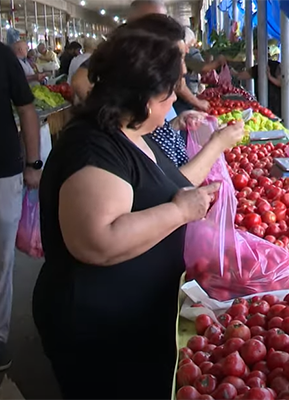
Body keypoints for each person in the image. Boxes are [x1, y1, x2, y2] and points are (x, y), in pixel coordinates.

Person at [32, 15, 244, 400]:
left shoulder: (131, 131)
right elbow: (97, 241)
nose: (176, 98)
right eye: (171, 91)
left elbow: (167, 186)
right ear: (146, 96)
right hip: (99, 334)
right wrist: (180, 212)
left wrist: (212, 152)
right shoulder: (92, 147)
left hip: (136, 321)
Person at [71, 0, 211, 112]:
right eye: (155, 23)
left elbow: (178, 80)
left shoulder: (161, 46)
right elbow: (79, 81)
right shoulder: (120, 45)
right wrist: (115, 121)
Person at [0, 42, 42, 371]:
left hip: (4, 173)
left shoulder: (2, 56)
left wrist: (34, 163)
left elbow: (27, 108)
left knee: (2, 260)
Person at [232, 40, 289, 117]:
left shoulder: (276, 66)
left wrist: (270, 77)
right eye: (255, 54)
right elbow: (240, 75)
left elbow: (283, 83)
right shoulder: (258, 68)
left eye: (257, 54)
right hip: (270, 103)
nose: (256, 57)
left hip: (277, 103)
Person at [173, 27, 227, 114]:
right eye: (189, 46)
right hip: (180, 104)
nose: (188, 50)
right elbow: (180, 86)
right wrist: (217, 62)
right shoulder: (187, 55)